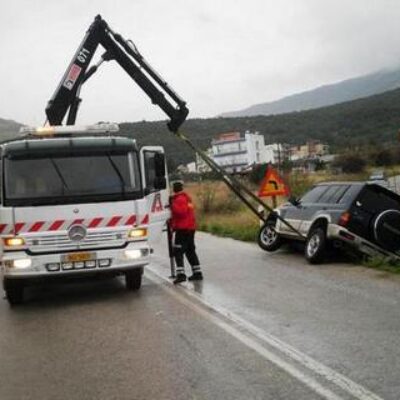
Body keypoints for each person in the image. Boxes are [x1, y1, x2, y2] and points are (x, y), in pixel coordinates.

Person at [170, 181, 203, 284]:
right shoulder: (186, 198)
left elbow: (181, 212)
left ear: (174, 189)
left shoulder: (179, 199)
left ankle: (181, 275)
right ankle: (197, 273)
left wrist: (172, 204)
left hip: (183, 229)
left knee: (178, 251)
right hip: (190, 228)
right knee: (190, 250)